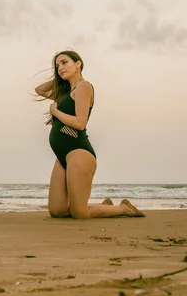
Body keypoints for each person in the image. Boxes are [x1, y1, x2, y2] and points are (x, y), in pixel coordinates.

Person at [35, 50, 144, 219]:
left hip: (79, 152)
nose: (60, 68)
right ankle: (102, 207)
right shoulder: (64, 93)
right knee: (58, 211)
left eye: (65, 63)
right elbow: (39, 89)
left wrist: (55, 112)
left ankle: (124, 209)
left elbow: (80, 123)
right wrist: (60, 76)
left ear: (78, 64)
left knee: (80, 213)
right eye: (57, 66)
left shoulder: (83, 87)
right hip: (62, 156)